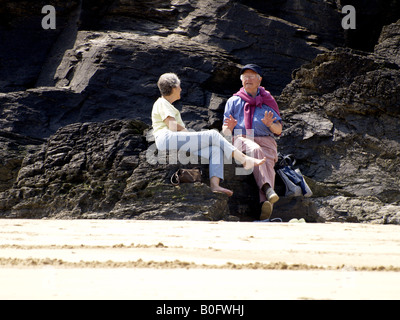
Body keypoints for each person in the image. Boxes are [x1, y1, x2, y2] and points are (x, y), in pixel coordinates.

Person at [151, 72, 266, 197]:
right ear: (173, 88)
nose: (181, 89)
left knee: (215, 150)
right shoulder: (162, 103)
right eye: (179, 86)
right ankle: (244, 159)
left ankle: (215, 185)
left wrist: (191, 137)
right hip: (166, 139)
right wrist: (188, 133)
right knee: (213, 135)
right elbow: (172, 126)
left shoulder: (167, 105)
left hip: (172, 140)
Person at [222, 64, 282, 220]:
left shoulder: (268, 100)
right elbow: (225, 133)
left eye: (251, 76)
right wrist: (229, 128)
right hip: (241, 138)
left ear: (259, 80)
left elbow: (279, 130)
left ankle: (265, 207)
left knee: (268, 161)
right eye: (244, 77)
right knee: (255, 150)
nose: (247, 79)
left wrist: (270, 124)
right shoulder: (233, 101)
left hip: (266, 139)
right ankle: (267, 188)